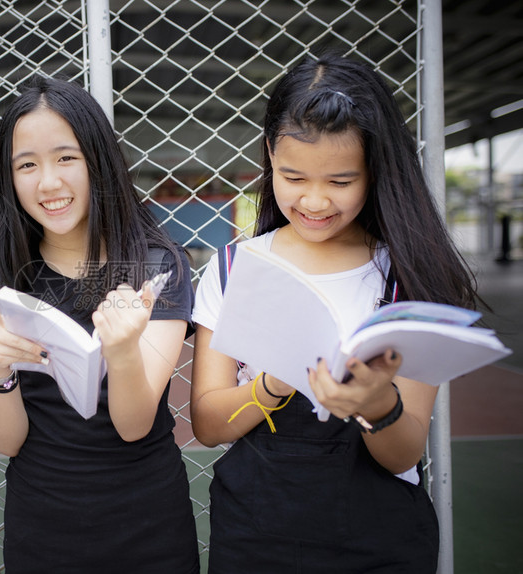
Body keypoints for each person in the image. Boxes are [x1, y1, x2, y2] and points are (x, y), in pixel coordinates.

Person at [191, 53, 476, 572]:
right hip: (256, 536)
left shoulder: (408, 277)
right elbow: (209, 425)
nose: (315, 201)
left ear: (376, 171)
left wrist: (376, 403)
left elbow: (403, 453)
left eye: (341, 182)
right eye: (292, 176)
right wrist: (274, 383)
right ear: (269, 159)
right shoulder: (237, 267)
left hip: (379, 542)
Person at [0, 76, 199, 573]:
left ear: (98, 161)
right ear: (9, 178)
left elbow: (135, 426)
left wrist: (125, 351)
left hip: (146, 520)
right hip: (42, 522)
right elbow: (7, 441)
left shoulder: (155, 267)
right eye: (27, 165)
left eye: (66, 158)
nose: (48, 182)